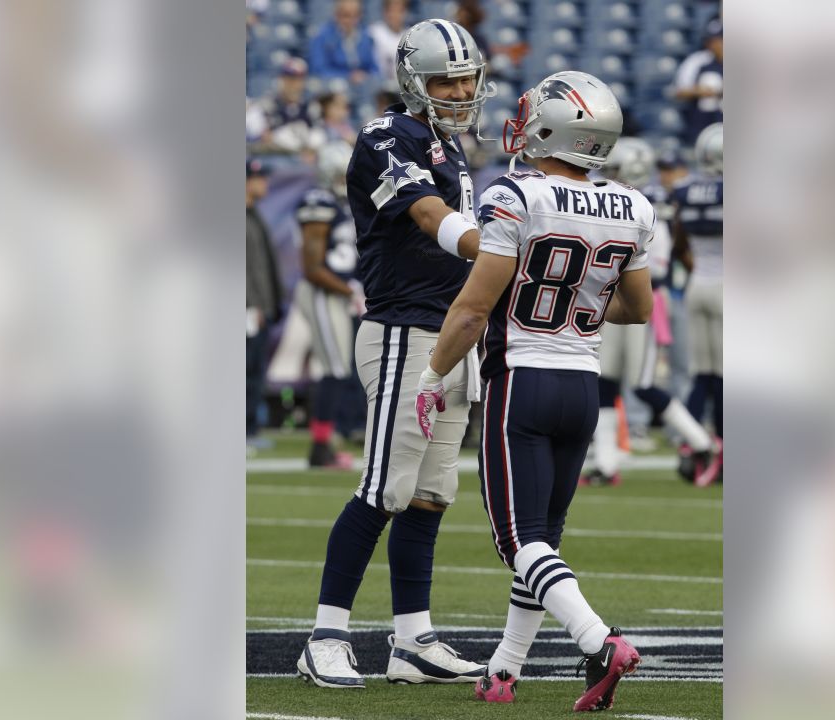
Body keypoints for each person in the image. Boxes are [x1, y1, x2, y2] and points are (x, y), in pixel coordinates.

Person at [416, 71, 646, 711]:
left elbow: (470, 309)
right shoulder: (632, 205)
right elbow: (638, 307)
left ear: (552, 128)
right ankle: (504, 670)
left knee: (517, 542)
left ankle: (600, 640)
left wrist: (434, 376)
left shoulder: (514, 195)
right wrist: (578, 298)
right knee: (541, 539)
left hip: (521, 380)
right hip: (581, 385)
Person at [297, 18, 495, 689]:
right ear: (415, 79)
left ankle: (412, 640)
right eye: (447, 78)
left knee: (432, 494)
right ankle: (324, 634)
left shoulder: (449, 143)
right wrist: (487, 251)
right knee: (384, 486)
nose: (462, 89)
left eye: (467, 77)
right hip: (404, 331)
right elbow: (426, 214)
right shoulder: (389, 134)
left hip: (449, 332)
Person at [586, 137, 715, 486]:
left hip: (642, 302)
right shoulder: (607, 201)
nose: (607, 176)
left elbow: (656, 266)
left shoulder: (648, 204)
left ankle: (702, 444)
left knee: (642, 385)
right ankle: (607, 466)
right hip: (611, 302)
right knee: (605, 382)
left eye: (615, 169)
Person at [295, 142, 364, 469]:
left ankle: (324, 443)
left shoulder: (348, 203)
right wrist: (349, 289)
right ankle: (321, 447)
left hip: (341, 294)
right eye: (341, 172)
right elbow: (313, 267)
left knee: (341, 369)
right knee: (335, 369)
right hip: (323, 292)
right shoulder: (317, 202)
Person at [672, 123, 724, 485]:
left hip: (696, 285)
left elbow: (679, 243)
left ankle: (692, 446)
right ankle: (721, 449)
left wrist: (696, 268)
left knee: (702, 374)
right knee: (724, 376)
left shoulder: (686, 189)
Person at [246, 158, 286, 447]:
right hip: (247, 308)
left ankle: (249, 428)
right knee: (244, 370)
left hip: (259, 306)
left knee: (254, 370)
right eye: (259, 179)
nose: (264, 184)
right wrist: (250, 303)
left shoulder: (254, 215)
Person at [672, 15, 723, 146]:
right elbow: (678, 92)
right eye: (718, 40)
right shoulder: (698, 61)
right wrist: (699, 91)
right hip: (701, 125)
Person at [308, 0, 379, 83]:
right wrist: (347, 76)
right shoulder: (321, 37)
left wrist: (366, 76)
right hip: (332, 87)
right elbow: (319, 71)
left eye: (356, 16)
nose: (351, 21)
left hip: (363, 87)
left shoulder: (365, 37)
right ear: (336, 15)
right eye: (346, 15)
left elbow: (375, 69)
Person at [369, 0, 409, 88]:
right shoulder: (374, 32)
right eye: (392, 11)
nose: (395, 15)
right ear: (385, 12)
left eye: (399, 11)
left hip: (402, 85)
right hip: (378, 83)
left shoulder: (409, 35)